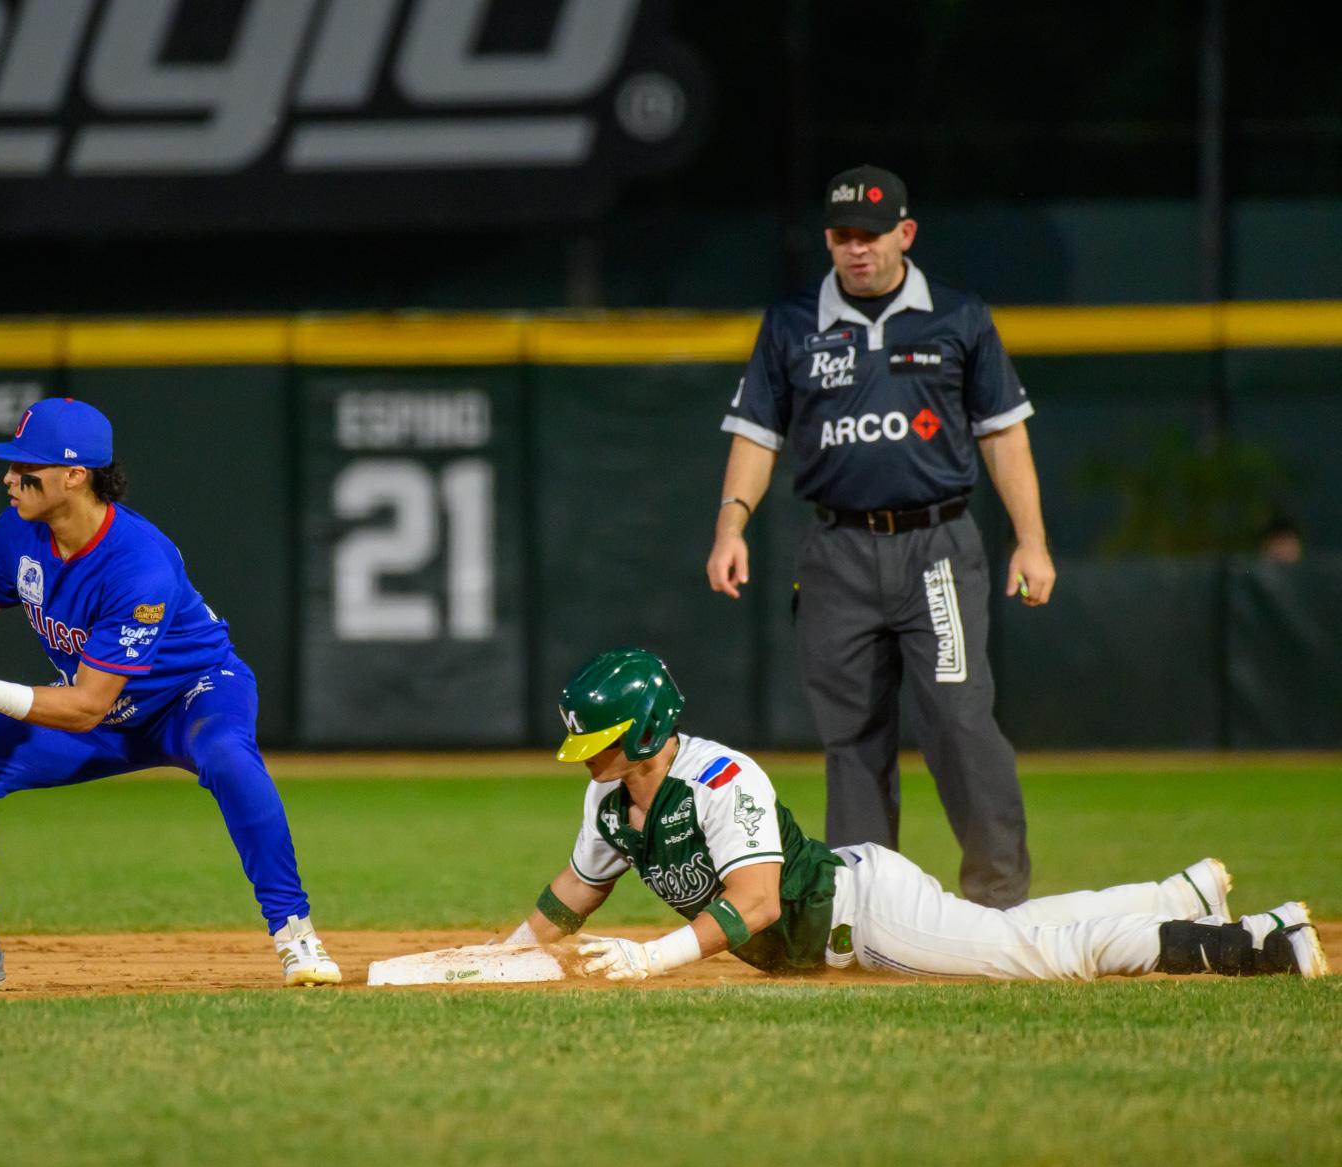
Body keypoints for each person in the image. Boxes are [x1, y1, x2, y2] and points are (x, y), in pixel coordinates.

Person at [0, 396, 341, 991]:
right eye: (12, 466)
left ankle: (295, 934)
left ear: (75, 477)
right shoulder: (17, 532)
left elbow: (91, 704)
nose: (10, 478)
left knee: (228, 758)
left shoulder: (140, 564)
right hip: (99, 709)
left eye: (27, 468)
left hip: (190, 697)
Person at [502, 647, 1328, 984]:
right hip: (853, 905)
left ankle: (1257, 943)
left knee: (1045, 957)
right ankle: (1178, 895)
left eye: (600, 740)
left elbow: (754, 905)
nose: (588, 756)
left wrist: (652, 960)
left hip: (862, 919)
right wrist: (490, 958)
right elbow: (570, 896)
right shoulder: (609, 798)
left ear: (644, 731)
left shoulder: (721, 777)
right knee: (1020, 930)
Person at [706, 164, 1053, 909]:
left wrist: (1032, 540)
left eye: (871, 234)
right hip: (836, 554)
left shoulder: (958, 318)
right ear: (827, 239)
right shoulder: (793, 324)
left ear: (906, 232)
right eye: (842, 236)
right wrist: (730, 524)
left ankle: (998, 902)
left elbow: (1004, 437)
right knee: (853, 738)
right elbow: (757, 436)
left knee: (960, 722)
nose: (857, 249)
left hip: (937, 550)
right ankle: (864, 910)